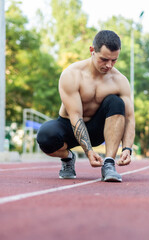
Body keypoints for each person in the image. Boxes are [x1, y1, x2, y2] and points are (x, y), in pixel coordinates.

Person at [36, 30, 135, 182]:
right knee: (45, 137)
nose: (109, 65)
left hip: (99, 129)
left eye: (114, 60)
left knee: (116, 102)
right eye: (104, 59)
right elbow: (75, 115)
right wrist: (88, 152)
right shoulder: (72, 74)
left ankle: (109, 164)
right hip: (69, 126)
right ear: (92, 51)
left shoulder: (120, 80)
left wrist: (127, 148)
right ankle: (68, 158)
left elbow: (129, 117)